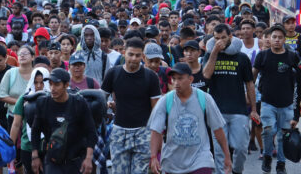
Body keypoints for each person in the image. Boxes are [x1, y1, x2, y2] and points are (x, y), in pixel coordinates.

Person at [149, 62, 232, 174]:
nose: (176, 83)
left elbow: (218, 129)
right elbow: (156, 130)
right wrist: (154, 156)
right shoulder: (165, 101)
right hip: (172, 162)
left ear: (191, 79)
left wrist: (227, 156)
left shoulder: (204, 98)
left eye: (180, 78)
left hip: (200, 159)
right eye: (173, 79)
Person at [203, 24, 260, 174]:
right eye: (216, 38)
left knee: (241, 148)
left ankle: (236, 171)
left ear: (230, 37)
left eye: (223, 37)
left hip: (239, 110)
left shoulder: (241, 58)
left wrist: (253, 109)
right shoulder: (210, 55)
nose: (220, 41)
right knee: (220, 151)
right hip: (217, 111)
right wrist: (214, 52)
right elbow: (206, 75)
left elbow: (249, 83)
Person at [101, 37, 161, 173]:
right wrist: (106, 109)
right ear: (124, 53)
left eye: (137, 55)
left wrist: (156, 138)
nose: (134, 58)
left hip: (143, 133)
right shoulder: (113, 73)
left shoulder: (151, 77)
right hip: (119, 132)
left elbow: (156, 111)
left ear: (143, 56)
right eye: (131, 54)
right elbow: (101, 99)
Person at [252, 24, 300, 174]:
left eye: (280, 37)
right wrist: (250, 94)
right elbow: (252, 77)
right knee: (268, 130)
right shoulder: (262, 56)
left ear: (284, 39)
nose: (277, 40)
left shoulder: (292, 57)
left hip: (287, 104)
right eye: (274, 37)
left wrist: (297, 113)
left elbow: (299, 82)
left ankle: (281, 164)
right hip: (267, 102)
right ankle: (267, 155)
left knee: (282, 137)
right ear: (269, 39)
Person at [31, 68, 97, 174]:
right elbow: (35, 130)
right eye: (50, 84)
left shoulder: (79, 103)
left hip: (76, 160)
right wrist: (35, 156)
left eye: (57, 85)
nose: (52, 88)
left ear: (66, 85)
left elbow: (91, 132)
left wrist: (88, 158)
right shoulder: (42, 104)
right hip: (52, 160)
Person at [10, 67, 50, 174]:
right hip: (28, 147)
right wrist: (10, 147)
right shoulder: (24, 99)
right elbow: (16, 124)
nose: (38, 86)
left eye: (42, 82)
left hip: (49, 147)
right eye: (35, 82)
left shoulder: (53, 98)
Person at [0, 45, 34, 131]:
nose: (22, 56)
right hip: (13, 116)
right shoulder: (10, 73)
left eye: (25, 53)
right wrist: (20, 102)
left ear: (33, 57)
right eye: (20, 54)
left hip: (34, 117)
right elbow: (1, 95)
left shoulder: (37, 73)